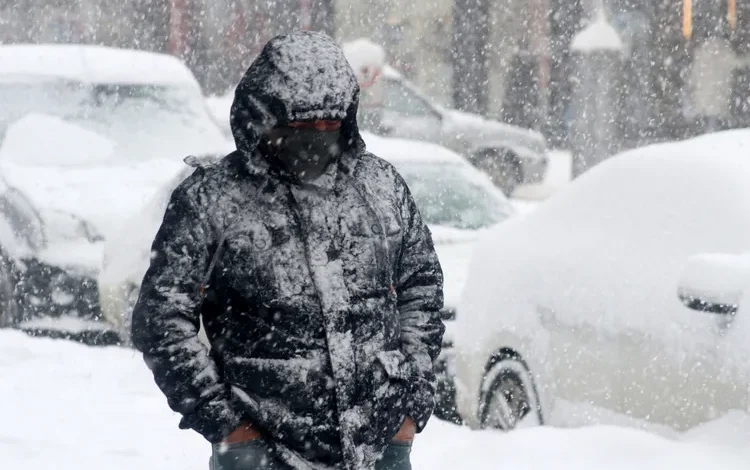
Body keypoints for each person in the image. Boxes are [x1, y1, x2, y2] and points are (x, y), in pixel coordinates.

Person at [131, 31, 445, 470]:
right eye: (300, 128)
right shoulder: (212, 200)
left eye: (329, 126)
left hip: (380, 446)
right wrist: (227, 424)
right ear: (262, 117)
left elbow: (421, 288)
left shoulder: (381, 187)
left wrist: (410, 403)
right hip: (261, 449)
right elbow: (161, 320)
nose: (317, 138)